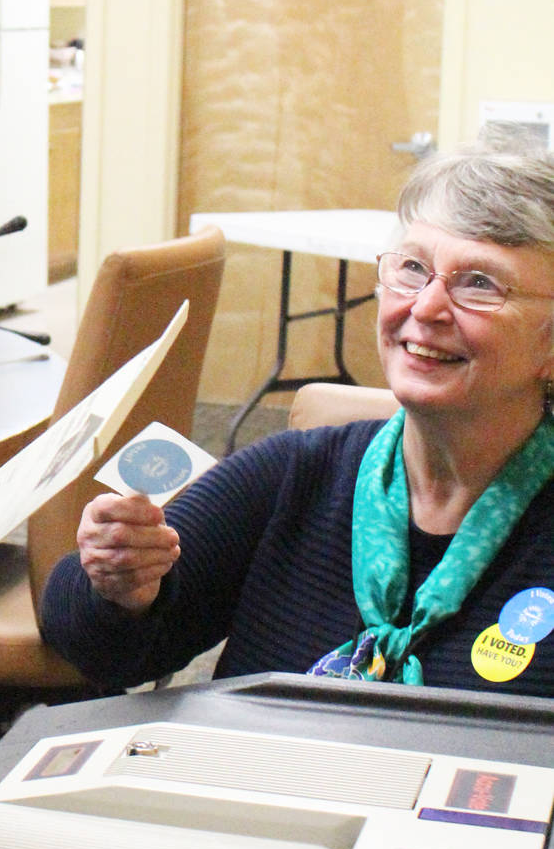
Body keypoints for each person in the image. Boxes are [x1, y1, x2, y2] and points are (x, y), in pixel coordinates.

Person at [42, 146, 554, 697]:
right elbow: (92, 644)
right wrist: (118, 584)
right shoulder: (297, 476)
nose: (426, 307)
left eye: (479, 283)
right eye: (412, 268)